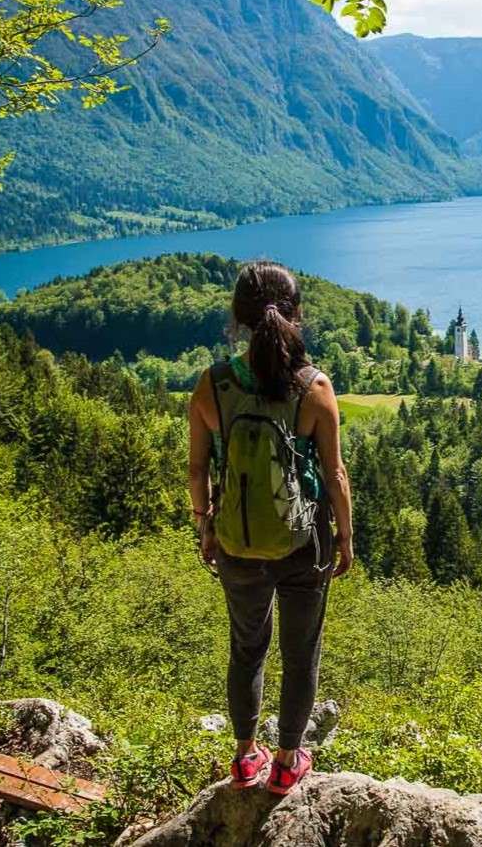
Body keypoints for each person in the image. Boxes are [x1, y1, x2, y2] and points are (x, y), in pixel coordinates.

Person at [188, 261, 354, 795]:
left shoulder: (212, 384)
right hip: (304, 544)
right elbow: (334, 475)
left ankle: (243, 759)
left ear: (236, 318)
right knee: (301, 651)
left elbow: (197, 470)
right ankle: (286, 762)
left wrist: (205, 525)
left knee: (246, 647)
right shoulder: (313, 387)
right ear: (297, 315)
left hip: (236, 541)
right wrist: (345, 538)